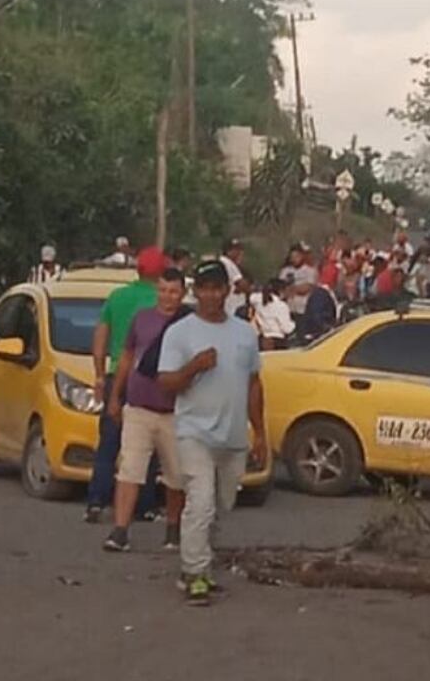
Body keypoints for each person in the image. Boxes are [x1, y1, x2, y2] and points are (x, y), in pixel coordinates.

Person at [157, 259, 266, 606]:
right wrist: (194, 366)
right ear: (196, 291)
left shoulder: (244, 333)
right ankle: (195, 574)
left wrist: (260, 433)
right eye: (204, 288)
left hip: (232, 437)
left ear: (227, 290)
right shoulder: (180, 332)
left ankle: (199, 561)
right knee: (200, 504)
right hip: (194, 432)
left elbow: (253, 384)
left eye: (217, 288)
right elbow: (166, 381)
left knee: (221, 505)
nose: (211, 295)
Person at [103, 268, 189, 553]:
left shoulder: (188, 323)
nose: (167, 297)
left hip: (175, 412)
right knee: (129, 469)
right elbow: (127, 357)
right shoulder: (142, 319)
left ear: (183, 294)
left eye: (173, 291)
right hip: (138, 407)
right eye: (163, 290)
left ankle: (173, 528)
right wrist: (115, 395)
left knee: (176, 475)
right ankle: (120, 530)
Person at [86, 246, 167, 524]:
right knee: (147, 447)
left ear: (138, 269)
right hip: (148, 381)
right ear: (161, 272)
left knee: (109, 443)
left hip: (114, 378)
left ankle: (96, 502)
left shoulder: (117, 297)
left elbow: (100, 336)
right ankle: (144, 506)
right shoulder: (162, 302)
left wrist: (99, 374)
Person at [250, 279, 295, 350]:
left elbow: (252, 297)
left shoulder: (258, 302)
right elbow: (286, 328)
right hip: (277, 341)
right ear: (281, 291)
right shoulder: (281, 305)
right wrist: (294, 324)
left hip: (261, 340)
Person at [279, 243, 318, 316]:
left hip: (303, 309)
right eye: (292, 257)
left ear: (302, 256)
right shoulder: (285, 271)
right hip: (288, 309)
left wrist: (292, 289)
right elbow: (280, 287)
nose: (294, 259)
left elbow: (306, 288)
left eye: (297, 256)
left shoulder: (310, 271)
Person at [218, 238, 248, 317]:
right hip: (232, 308)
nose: (240, 253)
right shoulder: (228, 263)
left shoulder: (223, 262)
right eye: (236, 250)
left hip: (230, 307)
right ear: (228, 251)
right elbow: (243, 285)